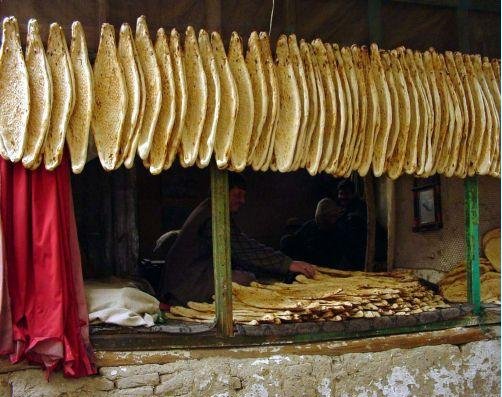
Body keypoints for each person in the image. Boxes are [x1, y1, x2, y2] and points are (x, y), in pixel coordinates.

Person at [159, 173, 316, 305]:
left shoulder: (210, 210)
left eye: (244, 196)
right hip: (187, 286)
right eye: (238, 195)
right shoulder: (211, 216)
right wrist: (288, 264)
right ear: (221, 192)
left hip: (188, 280)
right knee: (246, 280)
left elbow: (239, 246)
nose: (242, 201)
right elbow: (242, 249)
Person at [280, 179, 367, 270]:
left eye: (346, 194)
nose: (343, 197)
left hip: (331, 243)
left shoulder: (356, 212)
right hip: (321, 231)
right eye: (341, 194)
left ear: (353, 194)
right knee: (287, 240)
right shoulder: (337, 205)